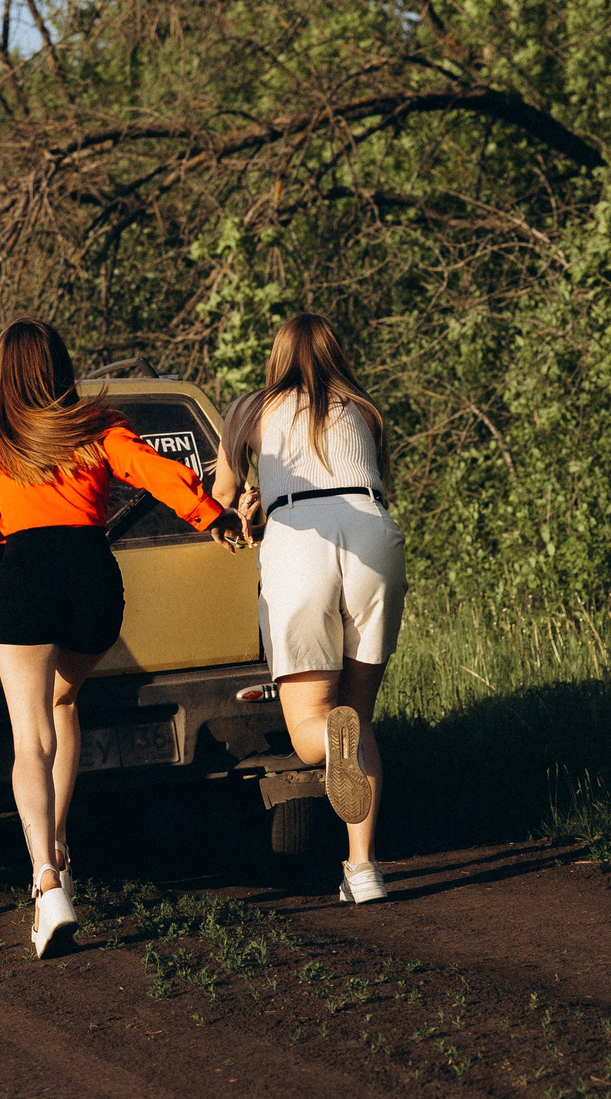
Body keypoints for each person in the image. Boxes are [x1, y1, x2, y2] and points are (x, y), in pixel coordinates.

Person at [0, 317, 251, 958]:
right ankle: (61, 849)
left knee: (29, 734)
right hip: (95, 579)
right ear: (61, 368)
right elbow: (157, 473)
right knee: (65, 702)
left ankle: (46, 880)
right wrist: (214, 516)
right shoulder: (97, 427)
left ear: (1, 376)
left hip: (30, 574)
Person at [212, 314, 404, 905]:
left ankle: (329, 736)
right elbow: (370, 481)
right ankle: (363, 870)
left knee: (310, 731)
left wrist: (249, 503)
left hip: (300, 540)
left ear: (277, 356)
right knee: (359, 718)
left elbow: (220, 497)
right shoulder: (365, 408)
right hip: (373, 533)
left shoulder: (251, 407)